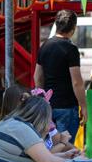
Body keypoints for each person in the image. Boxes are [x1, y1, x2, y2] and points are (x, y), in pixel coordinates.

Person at [34, 10, 87, 148]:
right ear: (73, 28)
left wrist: (44, 100)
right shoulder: (71, 49)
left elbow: (37, 77)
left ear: (56, 24)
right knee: (65, 147)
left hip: (49, 107)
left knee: (50, 147)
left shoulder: (44, 46)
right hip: (67, 107)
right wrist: (84, 106)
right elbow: (77, 82)